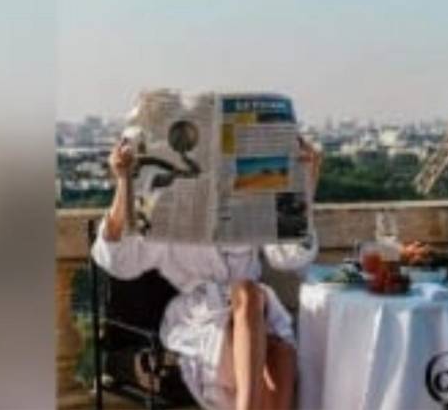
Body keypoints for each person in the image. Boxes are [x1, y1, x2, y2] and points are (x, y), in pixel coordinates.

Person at [93, 135, 322, 410]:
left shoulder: (251, 196)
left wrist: (305, 184)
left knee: (281, 351)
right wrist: (124, 182)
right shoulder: (164, 204)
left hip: (253, 317)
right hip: (198, 317)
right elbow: (117, 259)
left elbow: (291, 256)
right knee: (251, 297)